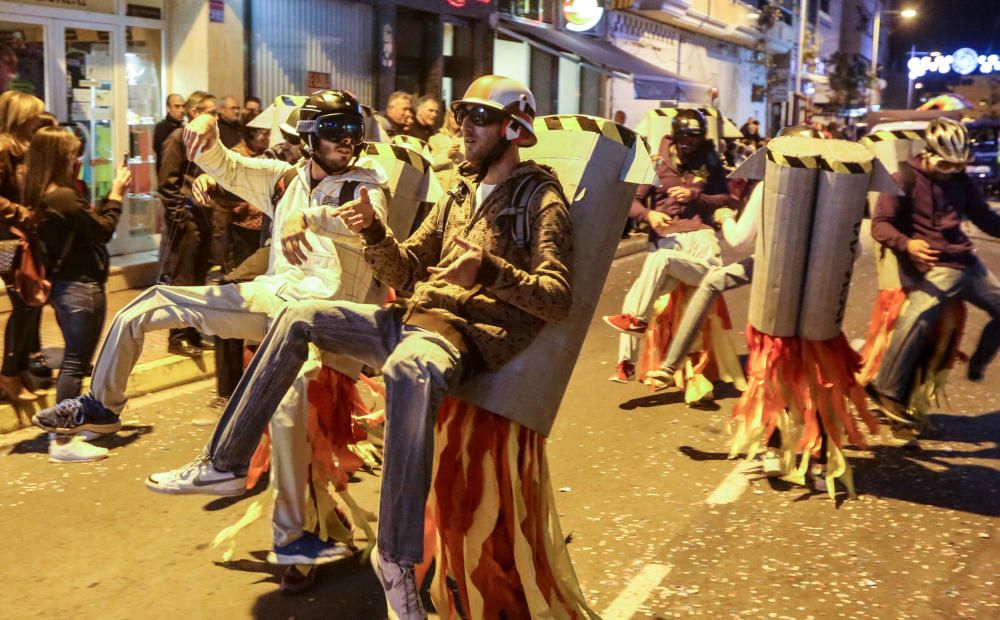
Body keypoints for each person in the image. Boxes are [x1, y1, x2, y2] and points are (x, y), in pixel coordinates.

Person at [139, 75, 572, 618]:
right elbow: (406, 268)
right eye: (461, 115)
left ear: (513, 129)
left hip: (456, 334)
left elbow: (557, 297)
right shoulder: (458, 190)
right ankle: (224, 460)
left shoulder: (539, 198)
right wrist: (371, 232)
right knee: (297, 316)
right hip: (408, 317)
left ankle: (393, 560)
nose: (462, 128)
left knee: (410, 369)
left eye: (477, 118)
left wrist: (486, 268)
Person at [32, 87, 389, 560]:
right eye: (334, 131)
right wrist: (204, 127)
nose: (346, 141)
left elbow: (363, 218)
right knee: (149, 303)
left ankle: (290, 535)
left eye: (352, 131)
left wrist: (310, 218)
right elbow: (225, 164)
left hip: (322, 321)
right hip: (273, 302)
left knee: (287, 412)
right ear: (307, 137)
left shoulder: (366, 183)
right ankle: (102, 406)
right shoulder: (284, 179)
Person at [866, 117, 1000, 426]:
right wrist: (908, 244)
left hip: (967, 262)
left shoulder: (961, 180)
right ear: (928, 154)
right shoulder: (903, 179)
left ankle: (977, 365)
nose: (953, 171)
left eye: (958, 165)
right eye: (947, 166)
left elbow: (984, 218)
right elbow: (880, 225)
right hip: (934, 264)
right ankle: (887, 391)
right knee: (918, 316)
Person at [24, 126, 131, 462]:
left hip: (64, 287)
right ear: (59, 157)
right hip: (81, 288)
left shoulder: (42, 193)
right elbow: (102, 231)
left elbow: (84, 226)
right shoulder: (62, 196)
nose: (77, 159)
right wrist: (116, 194)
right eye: (72, 153)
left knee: (74, 356)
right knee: (76, 363)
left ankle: (78, 417)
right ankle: (63, 438)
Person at [603, 108, 732, 383]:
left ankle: (638, 327)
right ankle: (626, 362)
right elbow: (631, 202)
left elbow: (725, 199)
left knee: (662, 270)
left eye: (695, 138)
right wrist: (649, 215)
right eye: (685, 138)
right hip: (667, 238)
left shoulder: (710, 160)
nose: (690, 144)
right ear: (674, 136)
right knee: (640, 291)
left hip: (700, 238)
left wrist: (695, 195)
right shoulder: (656, 161)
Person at [157, 90, 217, 357]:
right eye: (211, 111)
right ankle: (177, 335)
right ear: (195, 113)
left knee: (198, 278)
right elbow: (167, 183)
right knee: (183, 278)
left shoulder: (205, 142)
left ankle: (193, 332)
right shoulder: (177, 139)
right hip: (186, 220)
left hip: (203, 217)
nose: (215, 117)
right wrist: (181, 219)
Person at [0, 91, 51, 401]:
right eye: (34, 114)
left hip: (24, 235)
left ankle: (18, 370)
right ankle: (8, 374)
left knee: (32, 302)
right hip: (6, 238)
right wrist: (22, 213)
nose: (38, 119)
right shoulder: (4, 149)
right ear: (21, 117)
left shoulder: (25, 148)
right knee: (23, 302)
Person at [427, 108, 463, 192]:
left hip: (458, 190)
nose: (456, 120)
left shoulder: (466, 140)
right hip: (438, 190)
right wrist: (447, 155)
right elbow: (429, 165)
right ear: (448, 118)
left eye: (459, 117)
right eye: (452, 117)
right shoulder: (435, 139)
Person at [153, 93, 185, 170]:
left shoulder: (183, 126)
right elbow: (164, 157)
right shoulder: (161, 127)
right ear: (168, 108)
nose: (182, 110)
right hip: (168, 176)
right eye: (177, 106)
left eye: (183, 106)